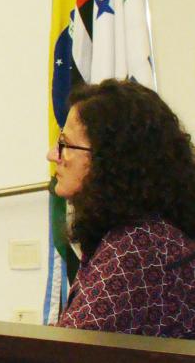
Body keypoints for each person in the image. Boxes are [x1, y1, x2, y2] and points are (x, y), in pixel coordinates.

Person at [48, 79, 195, 338]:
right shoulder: (139, 234)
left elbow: (73, 347)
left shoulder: (140, 248)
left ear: (110, 158)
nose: (52, 155)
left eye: (65, 144)